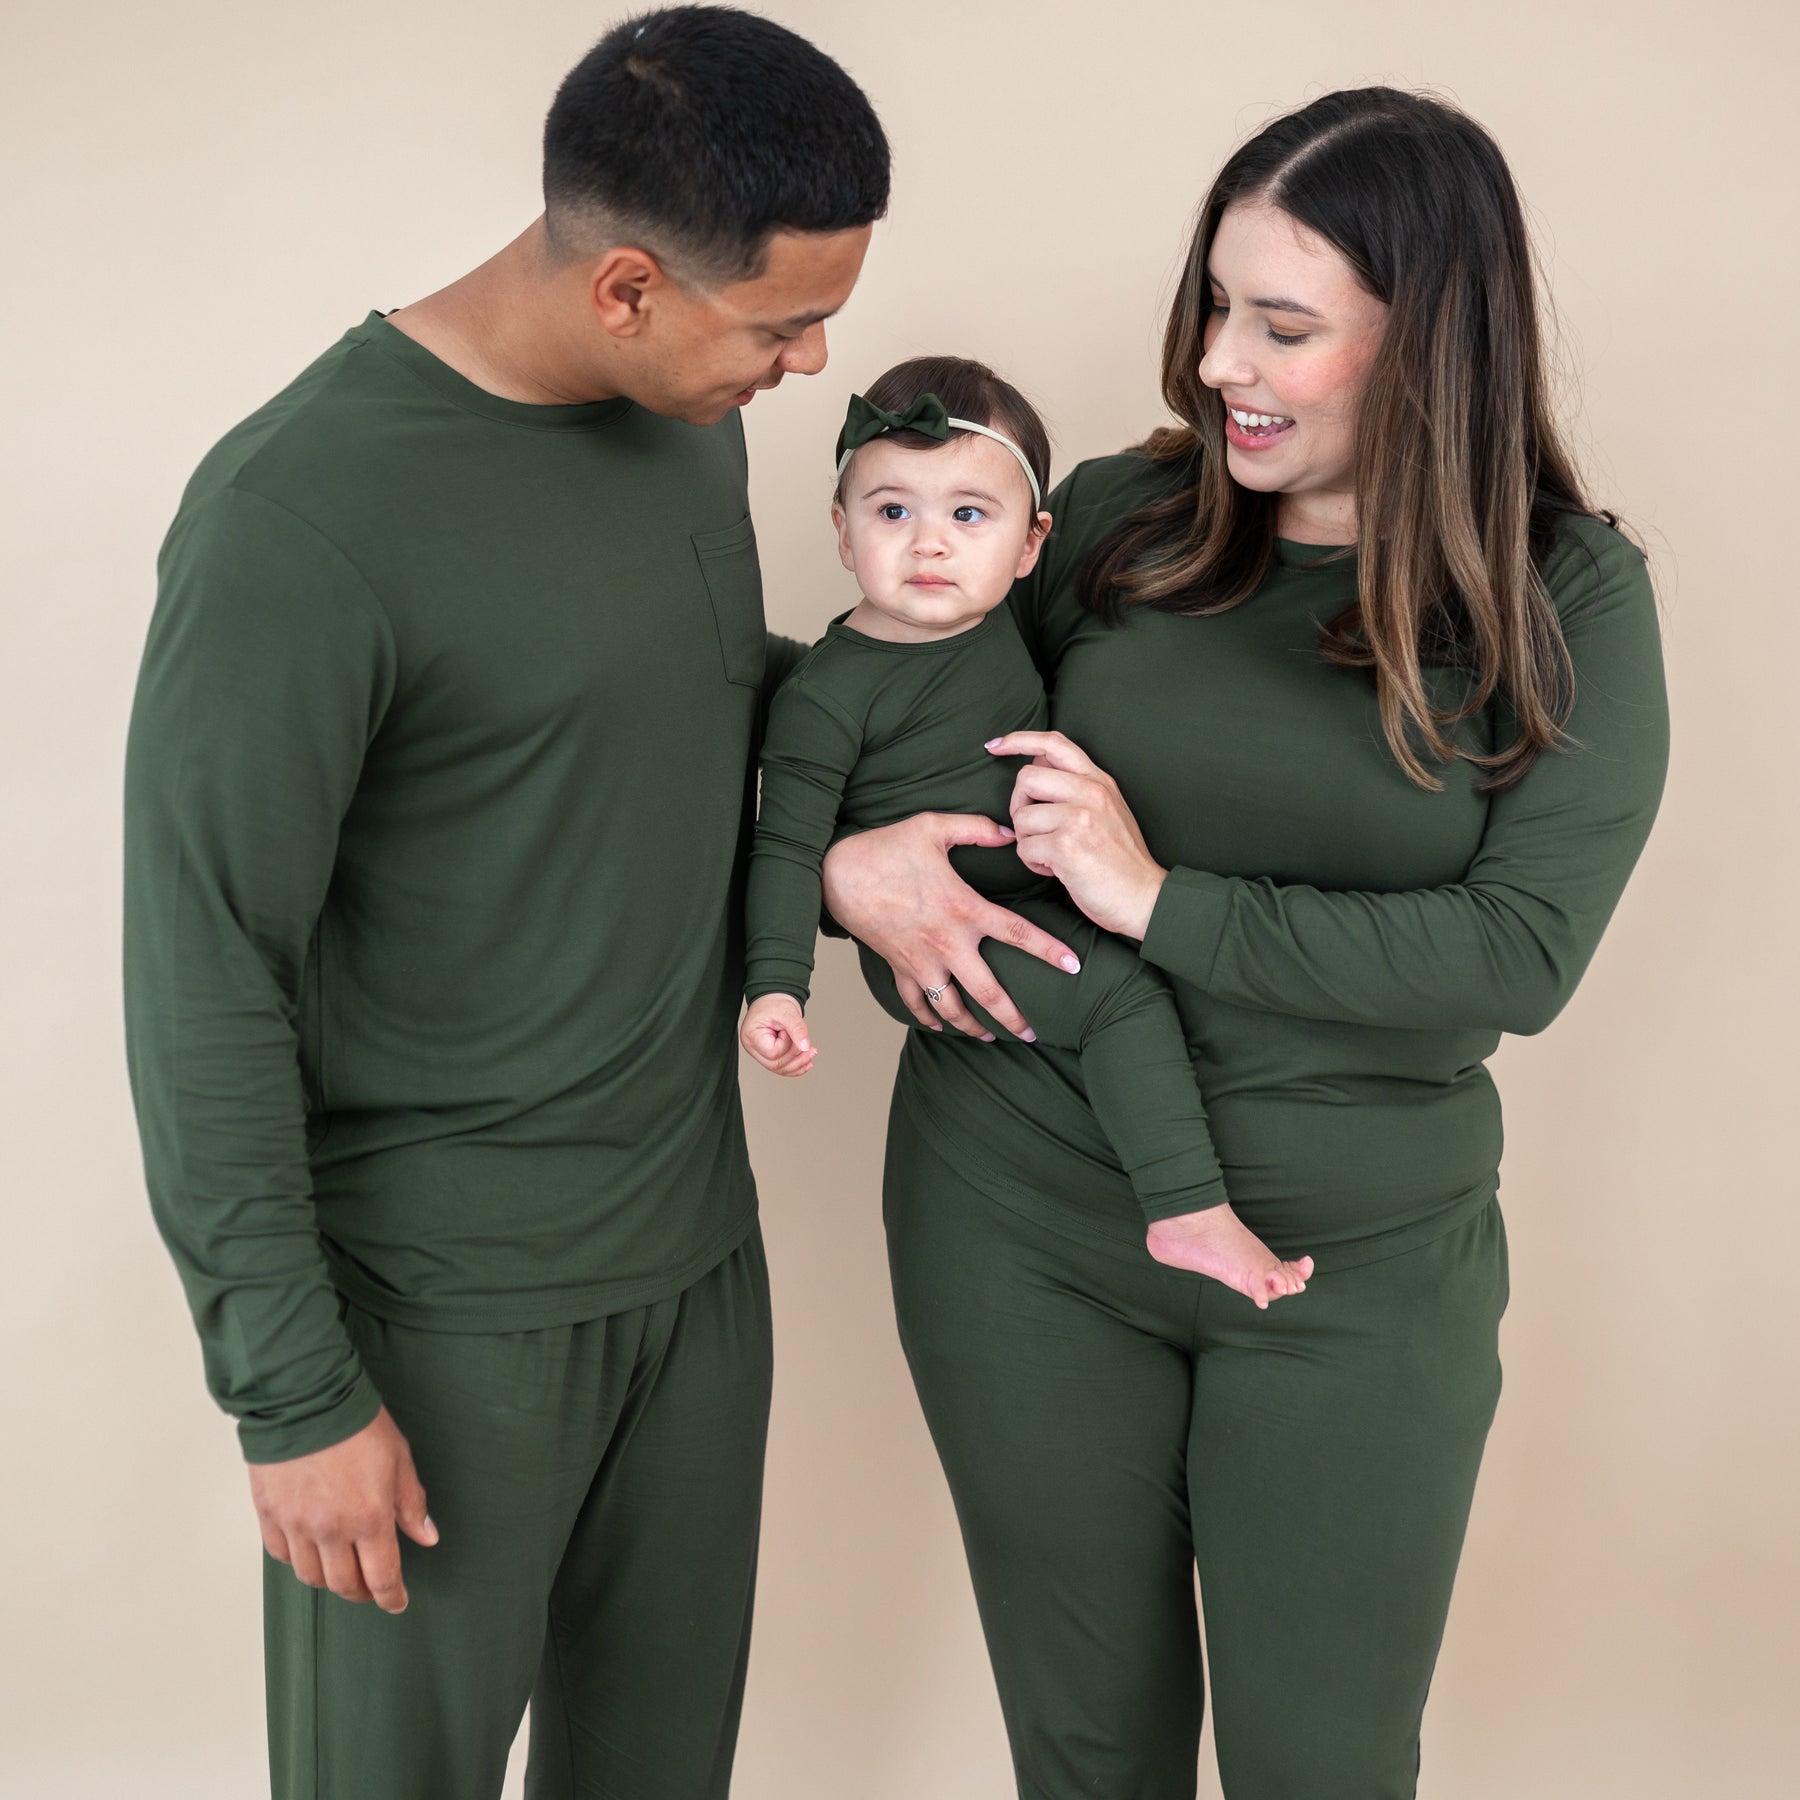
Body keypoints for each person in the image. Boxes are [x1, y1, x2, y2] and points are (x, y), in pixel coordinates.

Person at [820, 89, 1669, 1798]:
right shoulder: (1109, 520)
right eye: (1219, 307)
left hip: (1354, 1267)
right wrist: (852, 873)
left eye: (1283, 325)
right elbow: (907, 766)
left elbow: (1517, 957)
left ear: (1431, 343)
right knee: (1086, 1755)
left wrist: (1158, 902)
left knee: (1326, 1763)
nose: (1220, 362)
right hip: (1022, 1224)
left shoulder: (1565, 591)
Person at [121, 10, 887, 1797]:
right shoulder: (295, 520)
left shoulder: (686, 415)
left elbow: (657, 710)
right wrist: (290, 1391)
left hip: (696, 1276)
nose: (813, 359)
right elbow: (205, 967)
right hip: (437, 1317)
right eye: (781, 323)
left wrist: (885, 821)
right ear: (624, 286)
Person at [740, 356, 1312, 1305]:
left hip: (1036, 891)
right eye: (892, 513)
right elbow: (786, 846)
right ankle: (1188, 1212)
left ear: (1029, 544)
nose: (929, 545)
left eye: (968, 515)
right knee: (1122, 998)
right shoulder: (824, 698)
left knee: (1151, 980)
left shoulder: (1010, 622)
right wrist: (776, 989)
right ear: (841, 532)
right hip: (942, 937)